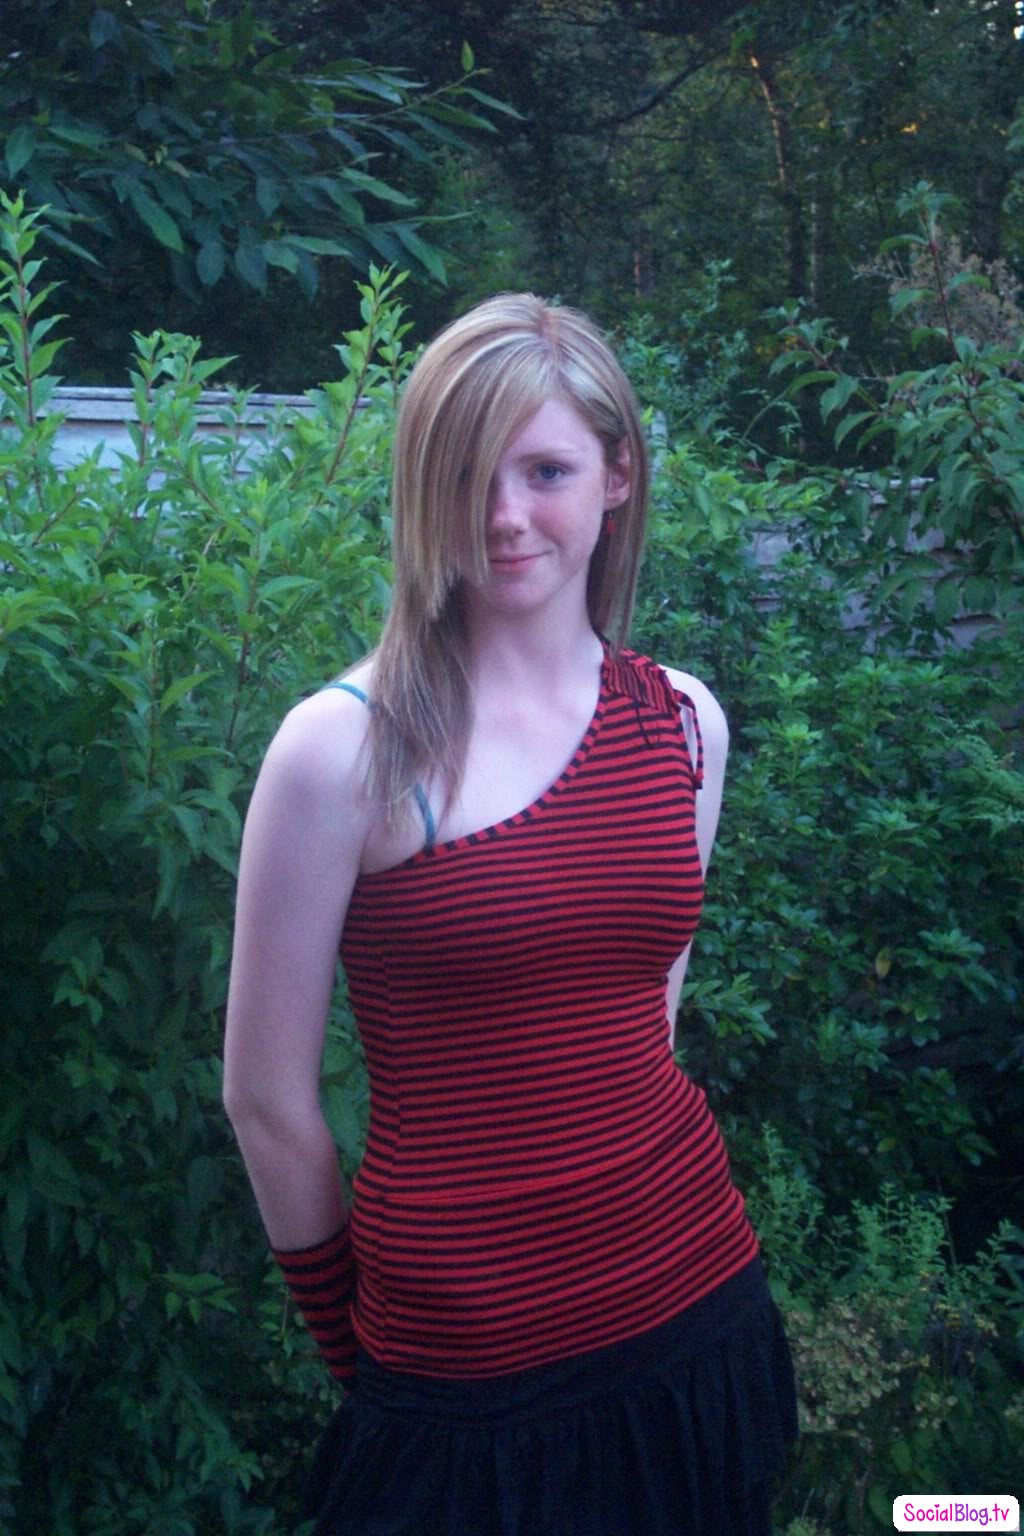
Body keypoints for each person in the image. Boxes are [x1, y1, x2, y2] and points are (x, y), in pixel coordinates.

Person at [223, 293, 798, 1536]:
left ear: (617, 477)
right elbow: (265, 1102)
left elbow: (642, 1023)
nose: (502, 514)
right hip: (462, 1376)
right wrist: (363, 1353)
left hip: (695, 1306)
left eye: (545, 470)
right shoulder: (345, 752)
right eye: (465, 474)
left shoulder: (683, 724)